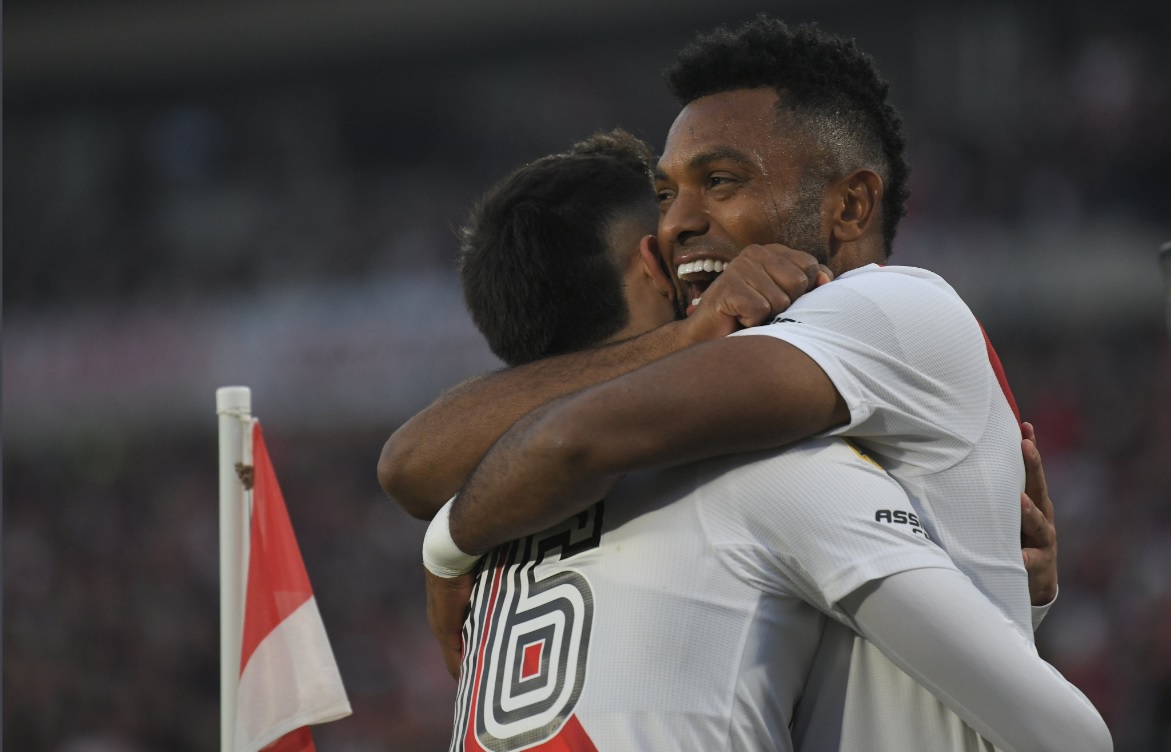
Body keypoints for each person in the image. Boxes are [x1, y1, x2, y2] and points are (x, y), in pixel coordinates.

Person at [395, 129, 1104, 749]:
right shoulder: (752, 470)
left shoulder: (501, 523)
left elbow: (417, 462)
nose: (691, 229)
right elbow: (1063, 734)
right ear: (653, 259)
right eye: (670, 208)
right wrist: (1004, 602)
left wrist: (450, 543)